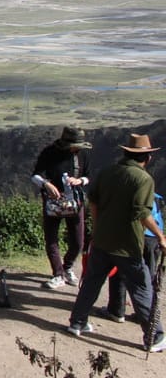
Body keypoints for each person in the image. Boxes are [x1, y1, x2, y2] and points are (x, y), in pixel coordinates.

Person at [66, 134, 166, 352]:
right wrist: (160, 236)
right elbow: (142, 212)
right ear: (147, 157)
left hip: (102, 239)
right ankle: (154, 337)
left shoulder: (108, 172)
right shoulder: (143, 179)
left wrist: (98, 226)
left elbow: (93, 201)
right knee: (141, 288)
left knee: (92, 282)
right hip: (127, 244)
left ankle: (77, 322)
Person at [32, 126, 92, 289]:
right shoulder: (49, 153)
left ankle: (67, 267)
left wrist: (80, 181)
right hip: (53, 201)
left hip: (75, 202)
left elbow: (88, 176)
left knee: (78, 241)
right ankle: (58, 273)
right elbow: (36, 175)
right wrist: (46, 184)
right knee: (51, 238)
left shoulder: (83, 154)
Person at [100, 193, 164, 323]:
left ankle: (116, 310)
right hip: (153, 238)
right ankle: (146, 315)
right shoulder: (156, 196)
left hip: (133, 235)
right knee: (147, 276)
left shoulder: (128, 191)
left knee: (120, 270)